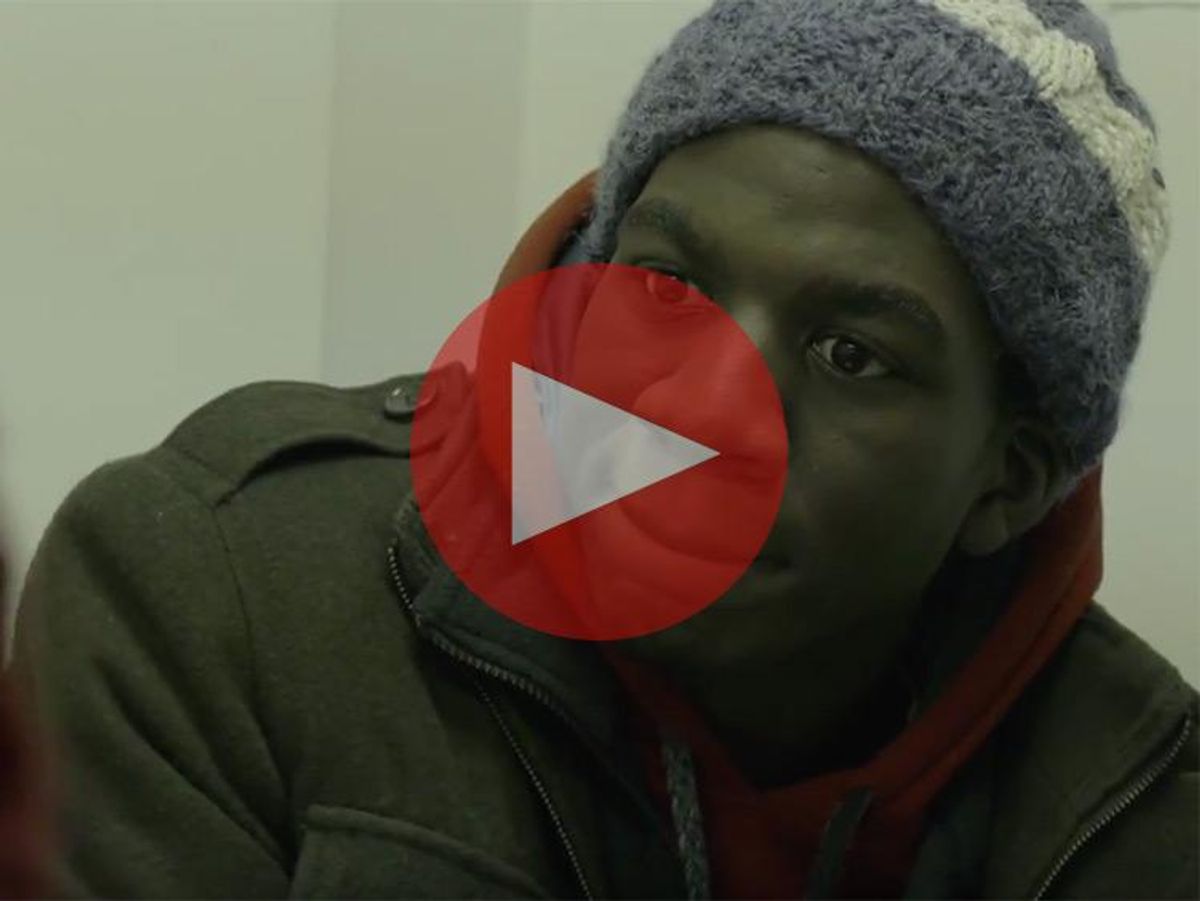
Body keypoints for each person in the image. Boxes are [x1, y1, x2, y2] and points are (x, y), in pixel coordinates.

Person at [13, 0, 1197, 897]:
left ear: (1011, 478)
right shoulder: (222, 590)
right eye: (664, 286)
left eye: (851, 354)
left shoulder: (1145, 817)